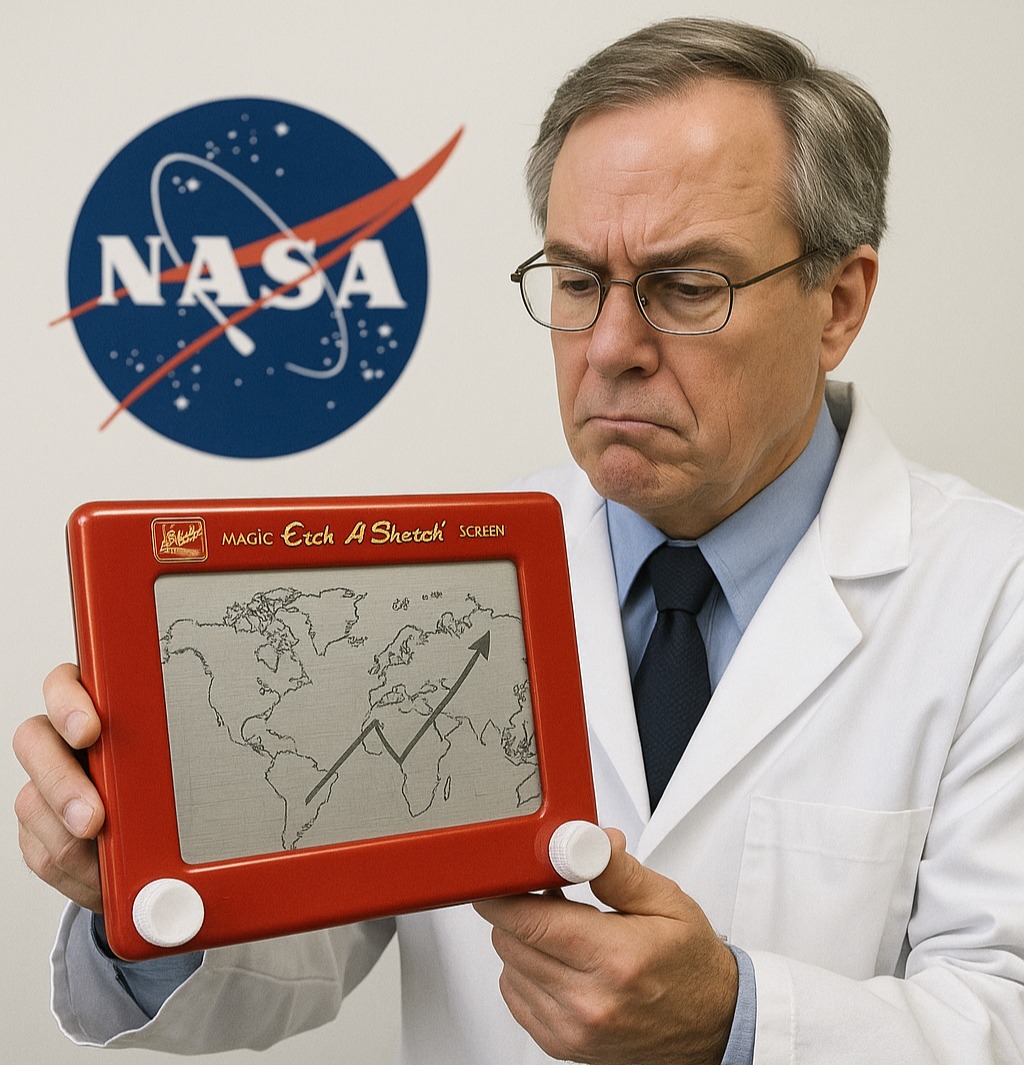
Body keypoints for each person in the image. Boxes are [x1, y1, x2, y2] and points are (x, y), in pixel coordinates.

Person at [14, 17, 1024, 1064]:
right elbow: (277, 971)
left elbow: (1006, 1006)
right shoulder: (428, 586)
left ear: (838, 304)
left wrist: (739, 1022)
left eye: (687, 288)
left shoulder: (995, 601)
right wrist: (137, 883)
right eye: (579, 282)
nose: (611, 349)